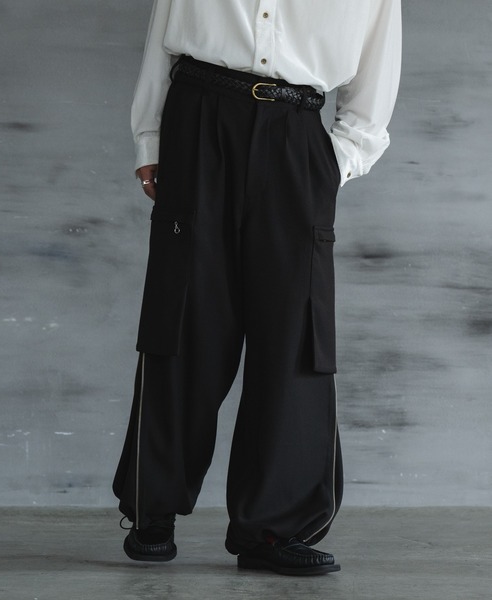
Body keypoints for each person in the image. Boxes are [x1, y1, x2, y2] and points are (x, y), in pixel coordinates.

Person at [113, 0, 402, 576]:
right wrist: (150, 137)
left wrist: (335, 161)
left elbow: (377, 67)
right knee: (183, 316)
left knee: (295, 332)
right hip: (198, 120)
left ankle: (273, 529)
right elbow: (162, 36)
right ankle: (152, 507)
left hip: (297, 133)